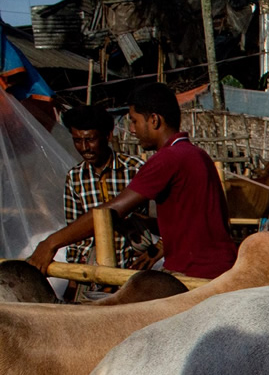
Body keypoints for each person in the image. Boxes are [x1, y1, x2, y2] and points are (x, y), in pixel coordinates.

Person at [29, 83, 237, 280]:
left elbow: (109, 211)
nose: (133, 130)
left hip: (195, 272)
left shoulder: (166, 159)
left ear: (154, 120)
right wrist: (142, 224)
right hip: (218, 266)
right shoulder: (196, 153)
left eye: (135, 121)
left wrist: (50, 243)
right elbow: (189, 222)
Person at [57, 104, 153, 270]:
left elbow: (162, 220)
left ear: (107, 136)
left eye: (90, 140)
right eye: (77, 141)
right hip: (93, 267)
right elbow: (73, 229)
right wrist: (75, 274)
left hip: (133, 266)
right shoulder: (75, 177)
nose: (84, 148)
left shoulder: (135, 169)